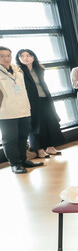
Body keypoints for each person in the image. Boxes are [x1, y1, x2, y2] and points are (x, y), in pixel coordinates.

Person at [16, 49, 65, 158]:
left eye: (28, 55)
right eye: (22, 56)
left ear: (33, 57)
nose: (25, 58)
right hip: (31, 102)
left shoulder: (39, 69)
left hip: (44, 99)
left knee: (50, 122)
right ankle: (39, 150)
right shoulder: (18, 71)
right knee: (35, 125)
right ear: (19, 59)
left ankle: (50, 147)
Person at [0, 46, 42, 174]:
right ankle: (15, 164)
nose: (6, 58)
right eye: (2, 56)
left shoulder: (18, 69)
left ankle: (24, 160)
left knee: (23, 137)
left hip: (23, 109)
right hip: (6, 112)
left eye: (8, 55)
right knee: (10, 139)